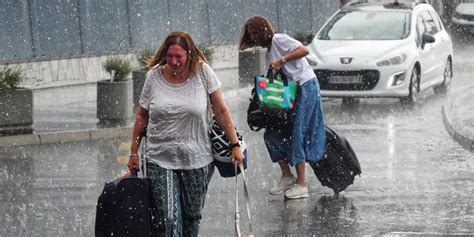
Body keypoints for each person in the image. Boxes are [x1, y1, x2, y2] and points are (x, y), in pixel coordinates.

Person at [128, 31, 244, 236]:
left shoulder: (203, 73)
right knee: (167, 219)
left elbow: (220, 110)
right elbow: (142, 115)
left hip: (197, 159)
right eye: (170, 56)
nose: (173, 61)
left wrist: (235, 145)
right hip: (159, 158)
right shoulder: (153, 76)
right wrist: (134, 152)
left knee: (192, 217)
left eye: (178, 56)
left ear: (189, 54)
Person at [239, 16, 326, 199]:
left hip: (306, 86)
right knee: (273, 134)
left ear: (264, 30)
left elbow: (304, 50)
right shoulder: (269, 50)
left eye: (255, 33)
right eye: (251, 34)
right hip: (291, 93)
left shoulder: (279, 39)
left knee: (297, 132)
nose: (254, 38)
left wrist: (282, 61)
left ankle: (302, 184)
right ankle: (287, 175)